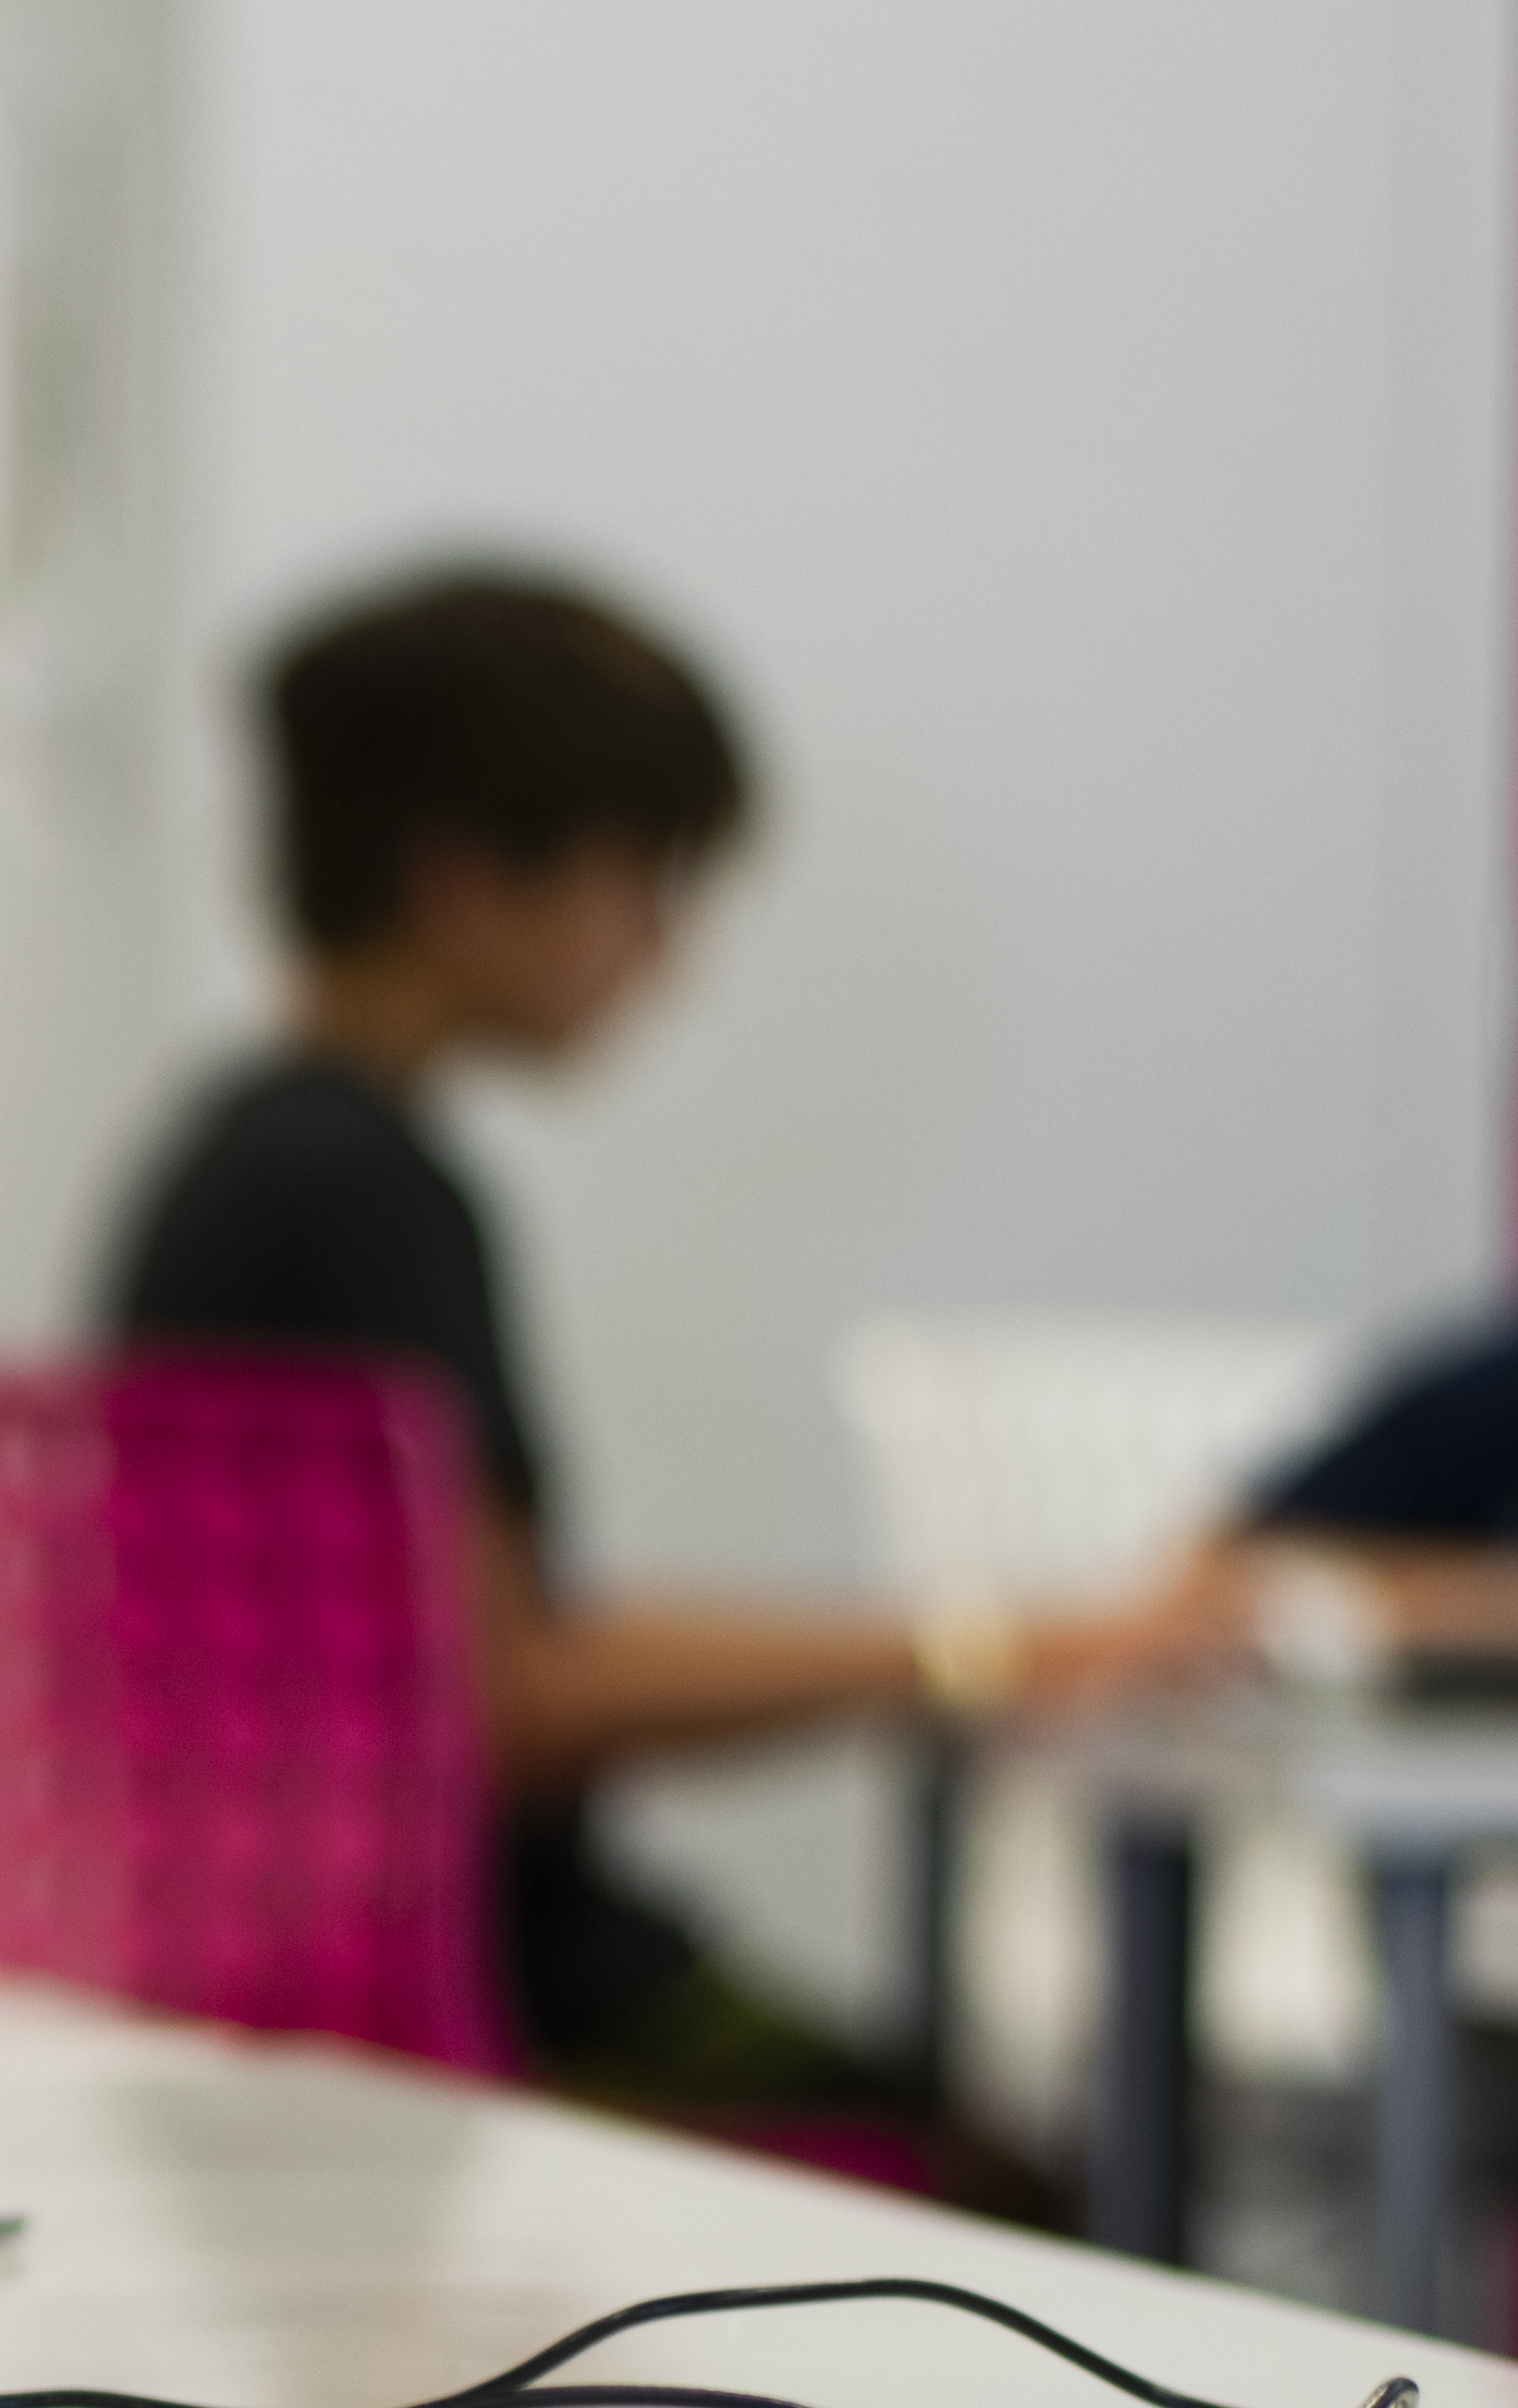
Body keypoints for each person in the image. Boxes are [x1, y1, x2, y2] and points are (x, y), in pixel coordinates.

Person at [105, 567, 1217, 2107]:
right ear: (470, 884)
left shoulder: (231, 1158)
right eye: (646, 885)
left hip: (272, 1982)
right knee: (1016, 2186)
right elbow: (511, 1696)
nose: (667, 960)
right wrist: (994, 1646)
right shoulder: (375, 1193)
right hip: (491, 2009)